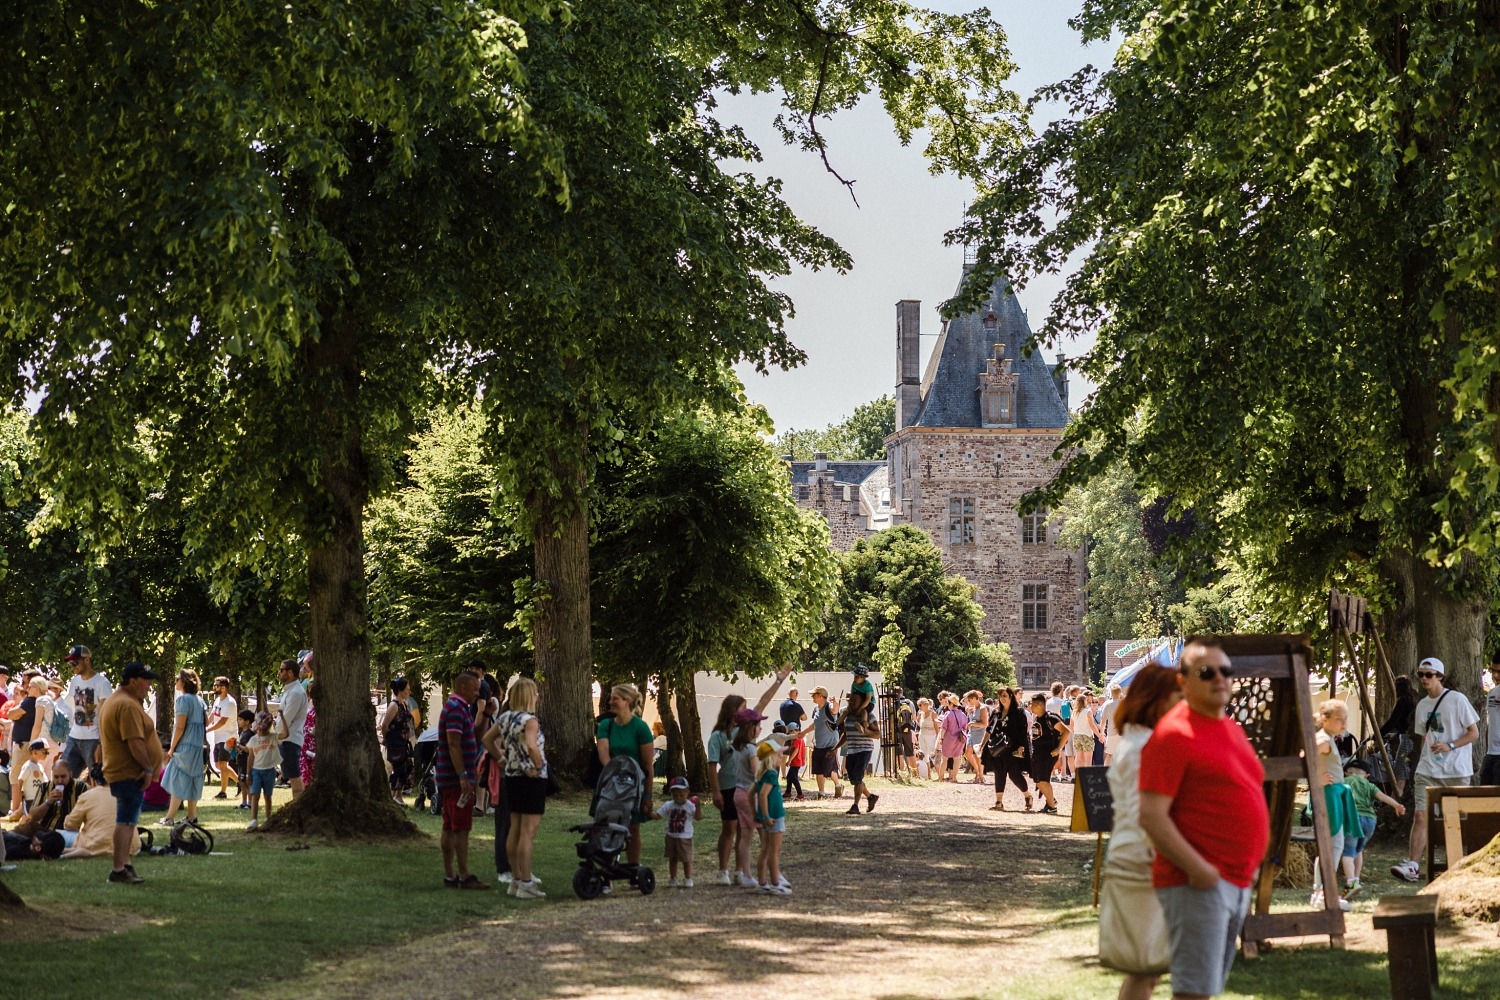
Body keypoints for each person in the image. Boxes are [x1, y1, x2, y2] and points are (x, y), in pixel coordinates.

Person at [1137, 637, 1268, 1000]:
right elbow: (1151, 815)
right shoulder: (1173, 734)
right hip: (1197, 883)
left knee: (1206, 989)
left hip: (1234, 879)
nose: (1220, 679)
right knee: (1193, 992)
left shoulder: (1228, 727)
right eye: (1207, 672)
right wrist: (1198, 869)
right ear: (1183, 680)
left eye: (1226, 671)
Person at [1099, 663, 1181, 1000]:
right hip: (1141, 860)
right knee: (1146, 969)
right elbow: (1144, 814)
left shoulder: (1141, 742)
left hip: (1142, 857)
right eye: (1177, 696)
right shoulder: (1143, 747)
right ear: (1157, 700)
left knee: (1150, 970)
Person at [1391, 657, 1480, 882]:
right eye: (1421, 674)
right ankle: (1412, 865)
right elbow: (1424, 739)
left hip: (1456, 770)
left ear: (1439, 676)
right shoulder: (1422, 705)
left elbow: (1474, 733)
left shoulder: (1457, 700)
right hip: (1428, 770)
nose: (1424, 679)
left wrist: (1449, 746)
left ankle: (1462, 865)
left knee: (1459, 819)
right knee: (1421, 815)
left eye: (1429, 675)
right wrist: (1423, 761)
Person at [482, 677, 548, 899]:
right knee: (528, 833)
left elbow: (487, 740)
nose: (538, 697)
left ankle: (515, 879)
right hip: (530, 779)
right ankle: (526, 882)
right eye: (536, 693)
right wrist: (539, 766)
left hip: (511, 777)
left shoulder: (506, 718)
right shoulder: (530, 720)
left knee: (515, 828)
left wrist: (502, 759)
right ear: (529, 696)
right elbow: (531, 745)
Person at [98, 661, 162, 884]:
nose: (149, 684)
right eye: (145, 680)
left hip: (125, 771)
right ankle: (117, 870)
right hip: (128, 772)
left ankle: (125, 864)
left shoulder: (122, 701)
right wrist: (147, 767)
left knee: (129, 820)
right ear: (132, 681)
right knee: (125, 821)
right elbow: (134, 742)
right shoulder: (126, 705)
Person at [595, 682, 656, 868]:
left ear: (627, 701)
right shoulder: (606, 725)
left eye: (615, 698)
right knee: (607, 825)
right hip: (611, 782)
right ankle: (607, 869)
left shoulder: (641, 727)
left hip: (634, 784)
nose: (610, 701)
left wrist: (648, 794)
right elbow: (603, 751)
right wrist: (613, 770)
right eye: (611, 698)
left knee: (633, 827)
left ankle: (632, 868)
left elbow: (647, 765)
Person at [437, 671, 487, 889]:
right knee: (460, 827)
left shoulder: (458, 709)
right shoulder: (456, 710)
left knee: (449, 826)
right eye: (475, 689)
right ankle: (465, 875)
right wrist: (463, 777)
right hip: (456, 780)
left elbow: (472, 737)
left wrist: (485, 716)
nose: (478, 693)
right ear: (463, 687)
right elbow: (453, 744)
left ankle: (450, 875)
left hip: (449, 778)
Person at [1308, 699, 1357, 912]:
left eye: (1345, 719)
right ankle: (1322, 892)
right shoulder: (1322, 739)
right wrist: (1317, 780)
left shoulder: (1328, 738)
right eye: (1339, 719)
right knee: (1332, 845)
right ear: (1325, 719)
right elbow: (1305, 756)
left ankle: (1322, 891)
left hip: (1335, 793)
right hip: (1328, 795)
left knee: (1334, 845)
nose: (1344, 724)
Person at [1340, 758, 1404, 898]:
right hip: (1369, 820)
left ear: (1346, 773)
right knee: (1359, 850)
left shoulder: (1343, 783)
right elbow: (1382, 797)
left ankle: (1351, 882)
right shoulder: (1369, 785)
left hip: (1352, 818)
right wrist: (1396, 805)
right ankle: (1357, 879)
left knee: (1347, 852)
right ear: (1367, 775)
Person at [159, 669, 208, 827]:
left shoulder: (182, 700)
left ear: (184, 681)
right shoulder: (200, 701)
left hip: (184, 746)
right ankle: (191, 817)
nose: (175, 681)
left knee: (177, 781)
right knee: (192, 780)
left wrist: (172, 748)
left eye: (177, 679)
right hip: (197, 746)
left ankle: (169, 817)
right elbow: (206, 722)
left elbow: (180, 727)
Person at [61, 645, 112, 779]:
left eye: (75, 663)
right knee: (63, 776)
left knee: (97, 779)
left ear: (87, 660)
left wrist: (101, 744)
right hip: (74, 736)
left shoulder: (102, 683)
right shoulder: (74, 681)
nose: (73, 666)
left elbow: (104, 716)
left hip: (93, 739)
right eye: (71, 664)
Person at [835, 689, 881, 815]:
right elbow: (845, 734)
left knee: (858, 777)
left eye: (855, 700)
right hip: (852, 749)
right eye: (850, 700)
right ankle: (871, 797)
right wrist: (835, 748)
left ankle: (855, 806)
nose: (852, 702)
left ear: (862, 702)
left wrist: (865, 731)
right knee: (854, 778)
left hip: (864, 750)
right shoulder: (848, 716)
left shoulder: (869, 716)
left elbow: (877, 734)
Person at [987, 688, 1032, 811]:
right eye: (1001, 696)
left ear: (1011, 697)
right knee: (999, 773)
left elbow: (1023, 731)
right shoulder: (996, 712)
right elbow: (989, 729)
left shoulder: (1018, 712)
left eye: (1005, 695)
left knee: (1014, 775)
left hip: (1013, 747)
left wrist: (1022, 746)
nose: (1002, 698)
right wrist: (982, 744)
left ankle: (1027, 796)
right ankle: (999, 802)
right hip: (998, 748)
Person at [753, 741, 789, 894]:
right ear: (771, 757)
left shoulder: (761, 774)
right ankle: (775, 884)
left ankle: (762, 883)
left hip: (767, 817)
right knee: (774, 851)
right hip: (774, 817)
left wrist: (757, 813)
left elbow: (751, 794)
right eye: (779, 755)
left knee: (766, 850)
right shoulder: (771, 774)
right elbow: (762, 795)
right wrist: (766, 815)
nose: (781, 758)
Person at [656, 775, 701, 888]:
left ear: (687, 792)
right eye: (675, 794)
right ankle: (673, 878)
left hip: (685, 836)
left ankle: (688, 878)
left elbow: (698, 817)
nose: (678, 797)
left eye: (681, 794)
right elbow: (658, 815)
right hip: (671, 835)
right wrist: (648, 813)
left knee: (686, 859)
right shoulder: (669, 805)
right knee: (673, 858)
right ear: (671, 794)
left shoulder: (690, 806)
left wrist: (698, 806)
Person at [1379, 674, 1420, 797]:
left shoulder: (1403, 701)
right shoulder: (1415, 698)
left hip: (1407, 740)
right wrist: (1396, 734)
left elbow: (1393, 721)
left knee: (1400, 776)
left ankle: (1396, 805)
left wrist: (1378, 734)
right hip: (1413, 738)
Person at [275, 658, 309, 799]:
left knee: (295, 777)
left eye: (281, 670)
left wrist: (272, 736)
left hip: (290, 740)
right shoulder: (290, 691)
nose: (279, 673)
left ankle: (299, 805)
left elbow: (286, 720)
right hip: (285, 740)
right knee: (291, 776)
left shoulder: (295, 692)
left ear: (290, 672)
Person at [381, 677, 418, 805]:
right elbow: (384, 725)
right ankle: (394, 795)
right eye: (407, 689)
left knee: (407, 767)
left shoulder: (405, 704)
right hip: (395, 742)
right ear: (400, 690)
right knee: (398, 768)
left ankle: (399, 794)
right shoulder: (394, 705)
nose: (409, 691)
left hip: (404, 743)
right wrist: (387, 740)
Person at [243, 710, 282, 831]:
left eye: (263, 729)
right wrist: (248, 773)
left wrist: (283, 718)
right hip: (256, 771)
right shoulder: (254, 740)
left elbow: (286, 734)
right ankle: (253, 820)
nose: (260, 731)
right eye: (259, 728)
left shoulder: (273, 737)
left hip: (269, 771)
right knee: (255, 795)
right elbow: (250, 757)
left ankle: (268, 818)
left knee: (268, 796)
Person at [1027, 694, 1066, 814]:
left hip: (1047, 754)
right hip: (1037, 754)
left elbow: (1066, 731)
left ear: (1038, 705)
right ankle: (1050, 800)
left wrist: (1059, 748)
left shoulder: (1051, 718)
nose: (1030, 707)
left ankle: (1052, 807)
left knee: (1043, 780)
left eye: (1032, 704)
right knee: (1038, 780)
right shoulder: (1037, 718)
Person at [205, 676, 238, 800]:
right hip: (219, 737)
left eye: (216, 685)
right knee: (219, 765)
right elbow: (213, 715)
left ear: (223, 688)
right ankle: (240, 782)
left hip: (228, 737)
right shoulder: (218, 700)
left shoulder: (230, 702)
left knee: (223, 764)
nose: (214, 687)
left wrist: (209, 729)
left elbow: (223, 721)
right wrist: (204, 725)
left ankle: (223, 792)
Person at [808, 686, 842, 799]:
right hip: (818, 744)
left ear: (820, 696)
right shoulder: (816, 709)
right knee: (818, 769)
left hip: (830, 744)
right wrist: (803, 732)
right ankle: (821, 793)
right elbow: (814, 724)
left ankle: (838, 785)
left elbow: (835, 710)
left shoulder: (829, 707)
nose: (812, 697)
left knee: (828, 769)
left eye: (814, 695)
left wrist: (834, 701)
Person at [938, 693, 968, 782]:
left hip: (948, 739)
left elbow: (944, 728)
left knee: (944, 758)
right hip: (959, 739)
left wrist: (941, 738)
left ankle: (940, 777)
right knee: (956, 759)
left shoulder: (948, 714)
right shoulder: (963, 715)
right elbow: (965, 728)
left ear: (951, 703)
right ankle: (954, 778)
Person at [962, 689, 989, 784]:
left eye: (969, 700)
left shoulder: (982, 708)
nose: (968, 702)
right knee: (967, 753)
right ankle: (978, 772)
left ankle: (980, 776)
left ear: (974, 698)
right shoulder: (972, 708)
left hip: (979, 734)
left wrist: (973, 723)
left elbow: (985, 724)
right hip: (971, 733)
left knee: (978, 756)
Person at [1480, 657, 1500, 787]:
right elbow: (1491, 721)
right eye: (1493, 670)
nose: (1495, 675)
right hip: (1491, 754)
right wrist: (1488, 750)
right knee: (1485, 800)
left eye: (1499, 671)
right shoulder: (1492, 692)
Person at [232, 709, 255, 809]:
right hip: (241, 761)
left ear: (247, 721)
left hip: (247, 762)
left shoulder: (250, 734)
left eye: (240, 719)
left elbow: (249, 749)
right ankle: (244, 802)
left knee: (247, 782)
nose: (238, 721)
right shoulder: (242, 733)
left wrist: (239, 746)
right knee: (241, 782)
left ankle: (250, 802)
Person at [1101, 683, 1124, 764]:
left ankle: (1105, 774)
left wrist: (1102, 733)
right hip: (1123, 732)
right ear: (1120, 692)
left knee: (1109, 755)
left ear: (1111, 693)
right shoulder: (1124, 704)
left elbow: (1103, 721)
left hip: (1111, 732)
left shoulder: (1107, 704)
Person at [783, 722, 806, 801]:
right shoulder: (801, 738)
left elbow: (796, 750)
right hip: (797, 761)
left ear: (793, 731)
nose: (789, 734)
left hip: (795, 761)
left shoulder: (796, 739)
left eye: (789, 732)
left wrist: (789, 760)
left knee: (794, 778)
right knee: (789, 777)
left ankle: (800, 794)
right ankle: (788, 792)